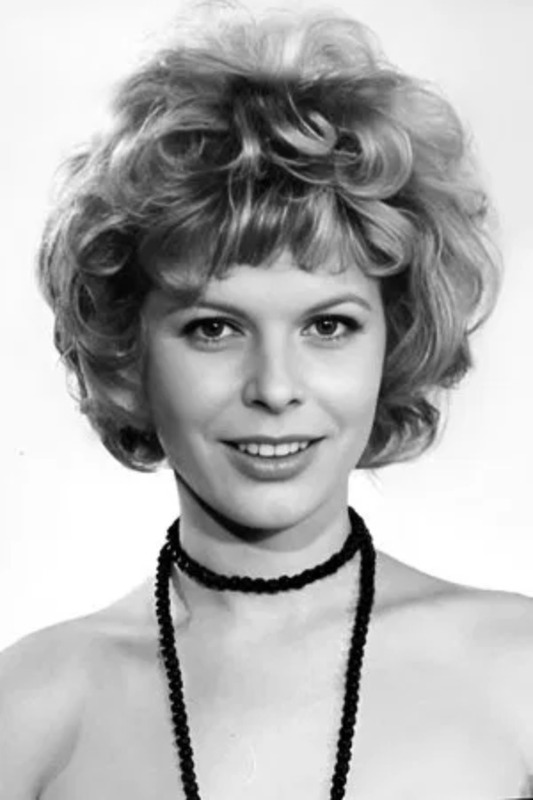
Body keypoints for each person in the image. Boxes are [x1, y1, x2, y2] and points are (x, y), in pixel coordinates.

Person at [1, 6, 532, 799]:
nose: (276, 388)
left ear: (396, 338)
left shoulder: (518, 675)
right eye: (213, 328)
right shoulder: (29, 709)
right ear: (127, 350)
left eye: (328, 326)